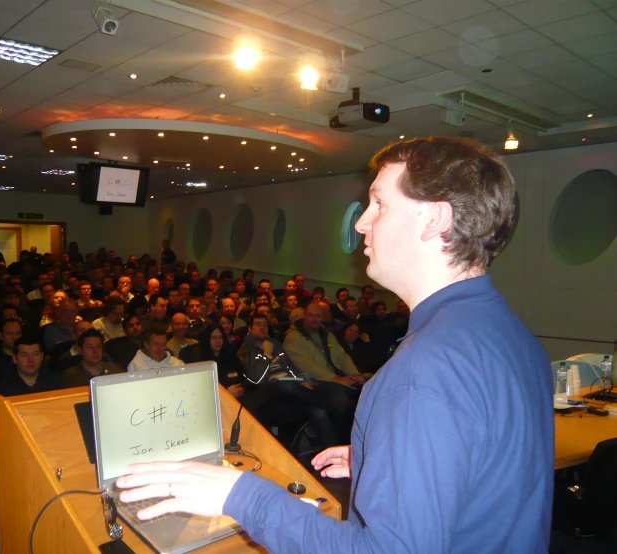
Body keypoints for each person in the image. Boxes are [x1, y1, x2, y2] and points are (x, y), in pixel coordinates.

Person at [114, 137, 553, 553]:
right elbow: (490, 476)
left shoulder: (425, 370)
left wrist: (240, 495)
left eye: (380, 204)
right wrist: (380, 456)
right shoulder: (512, 334)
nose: (362, 221)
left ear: (434, 219)